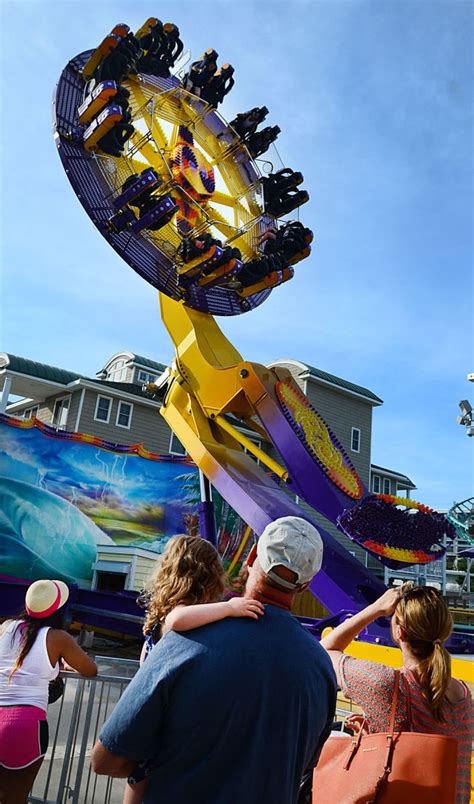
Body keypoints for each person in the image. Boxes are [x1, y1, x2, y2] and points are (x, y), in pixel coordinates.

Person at [92, 517, 337, 804]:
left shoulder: (185, 642)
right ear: (306, 585)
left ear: (253, 554)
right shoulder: (321, 667)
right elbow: (307, 762)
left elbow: (106, 760)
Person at [122, 534, 264, 804]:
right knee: (142, 774)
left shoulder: (158, 618)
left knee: (140, 776)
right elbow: (178, 619)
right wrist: (229, 608)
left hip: (153, 712)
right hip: (163, 719)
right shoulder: (178, 613)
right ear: (205, 575)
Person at [320, 583, 473, 804]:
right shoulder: (463, 696)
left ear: (399, 631)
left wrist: (376, 608)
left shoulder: (387, 684)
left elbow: (324, 651)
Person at [0, 579, 97, 804]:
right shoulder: (58, 638)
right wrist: (63, 663)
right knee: (15, 798)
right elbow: (90, 669)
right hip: (24, 724)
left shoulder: (6, 628)